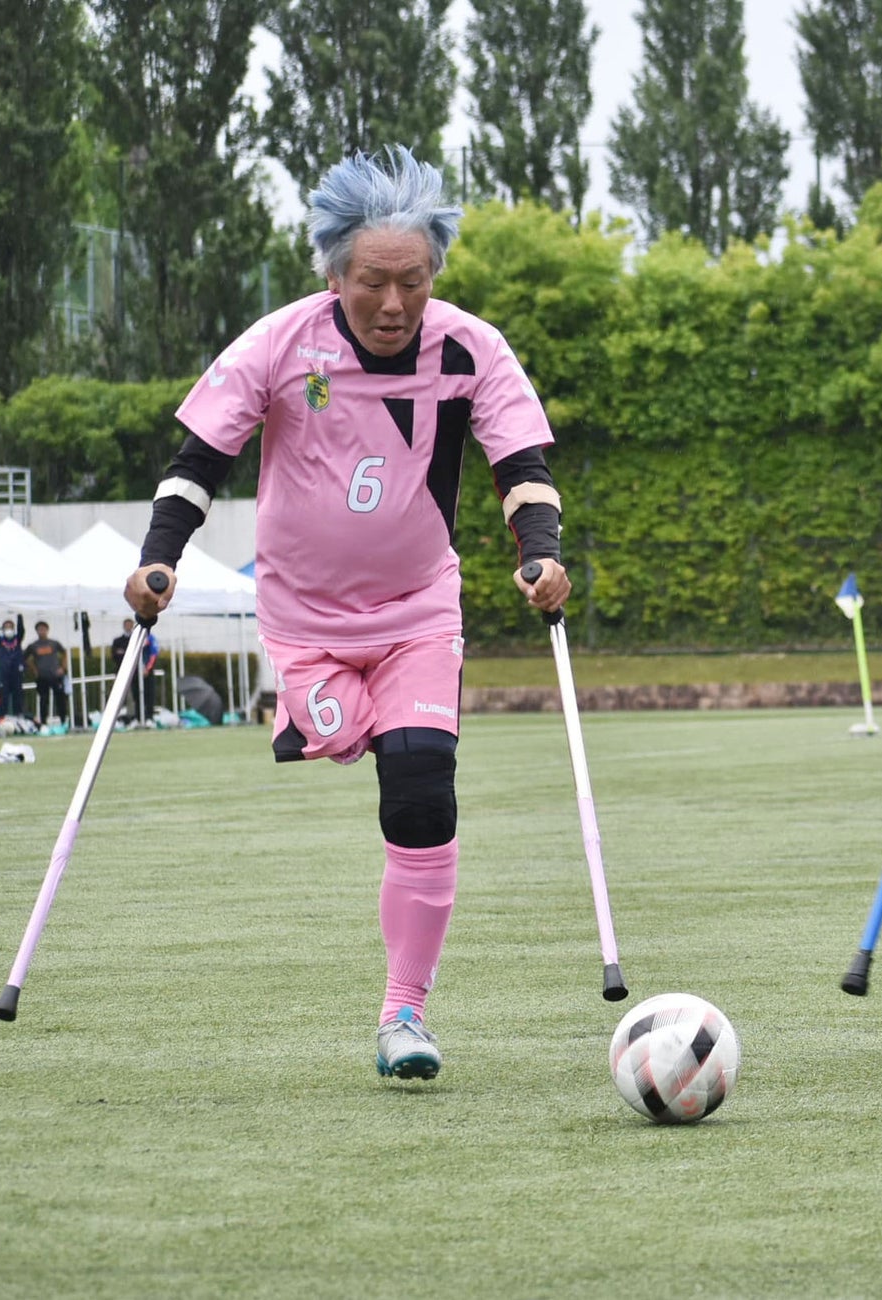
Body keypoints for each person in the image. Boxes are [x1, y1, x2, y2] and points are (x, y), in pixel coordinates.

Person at [124, 147, 570, 1082]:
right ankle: (309, 712)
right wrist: (158, 559)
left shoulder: (469, 349)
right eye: (375, 281)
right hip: (304, 621)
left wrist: (542, 557)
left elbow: (521, 468)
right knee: (348, 738)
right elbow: (199, 461)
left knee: (419, 782)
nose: (396, 302)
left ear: (434, 274)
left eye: (413, 280)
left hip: (417, 609)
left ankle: (404, 1014)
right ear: (335, 273)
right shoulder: (282, 344)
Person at [110, 617, 159, 726]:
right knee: (136, 695)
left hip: (147, 672)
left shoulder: (149, 638)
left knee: (149, 694)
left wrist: (148, 668)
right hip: (135, 672)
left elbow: (154, 654)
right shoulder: (131, 639)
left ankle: (149, 717)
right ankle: (137, 717)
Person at [26, 621, 67, 727]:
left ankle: (63, 720)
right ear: (37, 631)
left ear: (47, 630)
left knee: (60, 699)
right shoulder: (33, 645)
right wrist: (34, 670)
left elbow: (65, 653)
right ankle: (43, 722)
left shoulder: (54, 643)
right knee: (43, 700)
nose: (42, 631)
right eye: (39, 629)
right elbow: (25, 658)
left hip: (55, 676)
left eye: (43, 629)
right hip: (42, 677)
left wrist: (62, 668)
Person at [0, 616, 25, 720]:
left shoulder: (17, 639)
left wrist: (19, 617)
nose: (8, 629)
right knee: (3, 697)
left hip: (16, 673)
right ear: (2, 629)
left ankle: (19, 716)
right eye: (6, 627)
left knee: (18, 696)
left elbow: (21, 630)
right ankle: (2, 717)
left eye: (10, 627)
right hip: (4, 674)